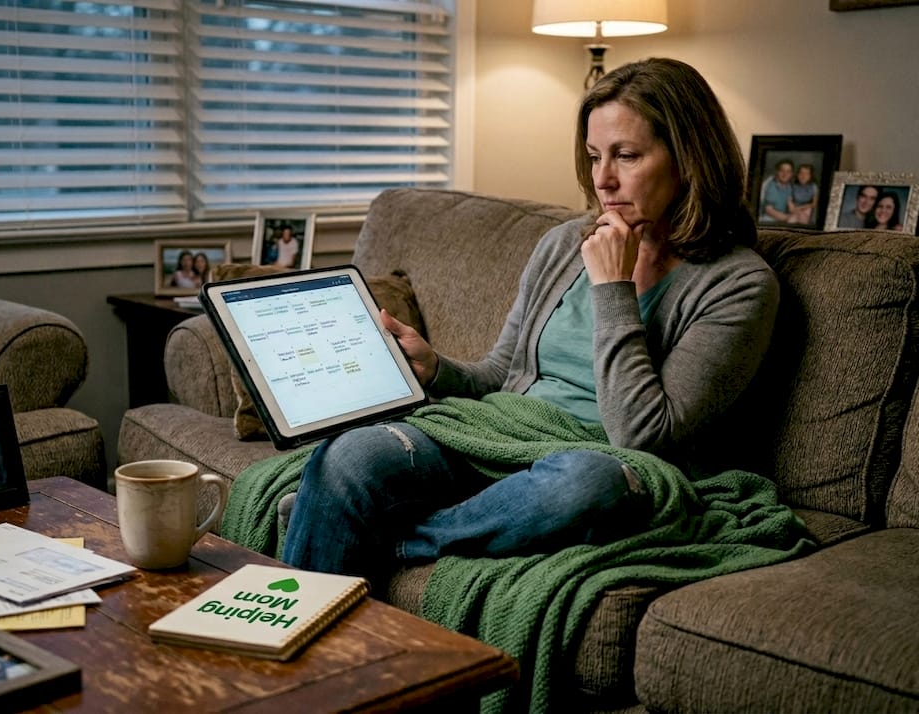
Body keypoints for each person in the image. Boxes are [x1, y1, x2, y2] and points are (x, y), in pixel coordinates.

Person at [279, 58, 780, 582]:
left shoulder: (739, 285)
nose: (603, 180)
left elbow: (644, 438)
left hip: (596, 463)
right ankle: (292, 647)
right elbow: (501, 375)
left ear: (689, 158)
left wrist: (613, 287)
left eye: (626, 156)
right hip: (501, 435)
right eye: (593, 157)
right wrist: (436, 368)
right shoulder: (565, 244)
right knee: (354, 454)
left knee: (587, 485)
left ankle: (392, 541)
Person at [757, 159, 794, 223]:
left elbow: (790, 204)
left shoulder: (788, 187)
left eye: (788, 171)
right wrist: (787, 218)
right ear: (777, 172)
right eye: (782, 170)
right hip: (768, 218)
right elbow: (769, 210)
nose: (785, 174)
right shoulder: (771, 186)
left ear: (791, 174)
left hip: (781, 217)